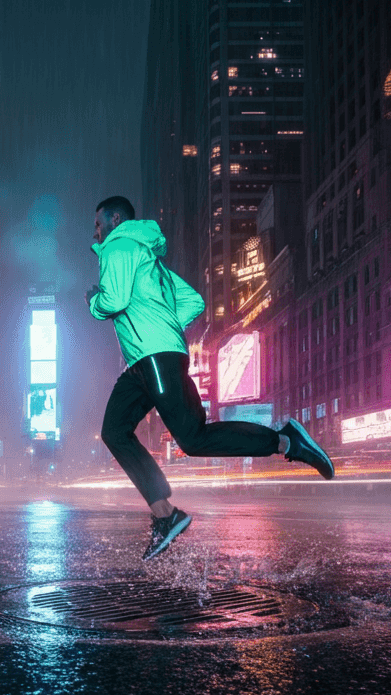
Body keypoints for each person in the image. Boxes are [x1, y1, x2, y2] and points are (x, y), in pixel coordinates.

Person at [86, 196, 335, 561]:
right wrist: (164, 325)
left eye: (98, 223)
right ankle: (165, 515)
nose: (95, 231)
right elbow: (194, 302)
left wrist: (94, 301)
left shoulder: (118, 244)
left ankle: (287, 441)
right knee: (114, 431)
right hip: (146, 360)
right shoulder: (151, 261)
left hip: (153, 356)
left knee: (194, 439)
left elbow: (113, 300)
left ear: (116, 219)